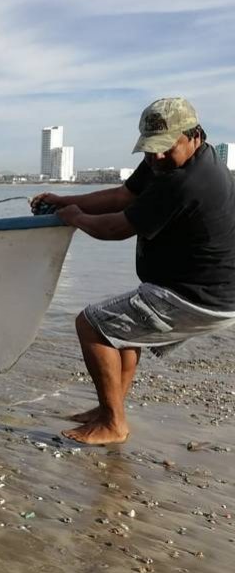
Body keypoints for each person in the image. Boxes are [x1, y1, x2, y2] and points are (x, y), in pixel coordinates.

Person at [31, 97, 235, 445]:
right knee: (124, 332)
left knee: (91, 324)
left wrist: (75, 219)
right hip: (213, 291)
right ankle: (109, 411)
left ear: (194, 135)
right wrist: (67, 201)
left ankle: (113, 423)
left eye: (164, 148)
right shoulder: (172, 163)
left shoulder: (185, 182)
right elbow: (122, 195)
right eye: (149, 149)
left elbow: (116, 227)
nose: (155, 156)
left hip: (198, 297)